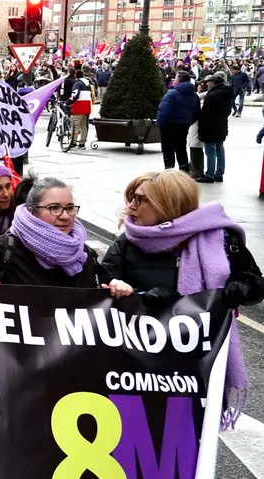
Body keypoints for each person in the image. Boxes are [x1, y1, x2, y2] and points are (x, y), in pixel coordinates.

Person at [101, 169, 263, 427]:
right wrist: (135, 295)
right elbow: (103, 286)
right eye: (131, 197)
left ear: (168, 204)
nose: (131, 205)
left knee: (191, 439)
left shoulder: (220, 239)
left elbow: (254, 282)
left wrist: (242, 287)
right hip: (141, 365)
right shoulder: (127, 243)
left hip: (198, 363)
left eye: (141, 199)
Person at [0, 176, 123, 293]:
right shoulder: (1, 250)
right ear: (32, 211)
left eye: (70, 208)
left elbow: (103, 282)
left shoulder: (83, 252)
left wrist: (115, 285)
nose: (65, 216)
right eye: (54, 208)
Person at [157, 70, 201, 173]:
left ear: (178, 81)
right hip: (183, 125)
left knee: (168, 148)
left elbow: (163, 111)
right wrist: (187, 122)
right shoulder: (194, 95)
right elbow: (196, 113)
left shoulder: (172, 94)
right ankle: (184, 168)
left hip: (169, 125)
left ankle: (169, 169)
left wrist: (160, 124)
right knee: (181, 147)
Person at [197, 72, 234, 184]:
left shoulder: (212, 96)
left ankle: (209, 174)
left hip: (210, 127)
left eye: (208, 82)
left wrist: (201, 128)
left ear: (213, 83)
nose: (207, 84)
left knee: (210, 151)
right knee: (219, 149)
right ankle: (219, 173)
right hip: (222, 124)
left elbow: (205, 114)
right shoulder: (227, 93)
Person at [67, 70, 92, 149]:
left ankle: (73, 142)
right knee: (83, 126)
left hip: (78, 107)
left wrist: (68, 102)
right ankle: (82, 143)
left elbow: (75, 95)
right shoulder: (88, 84)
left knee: (75, 125)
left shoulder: (78, 84)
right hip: (86, 106)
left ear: (75, 76)